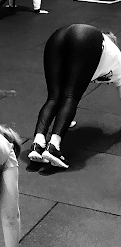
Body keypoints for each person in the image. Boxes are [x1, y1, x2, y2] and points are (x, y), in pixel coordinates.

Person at [29, 24, 121, 168]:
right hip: (86, 37)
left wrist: (65, 120)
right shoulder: (116, 59)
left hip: (59, 35)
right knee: (70, 97)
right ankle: (53, 147)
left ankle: (38, 143)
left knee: (54, 97)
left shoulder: (104, 55)